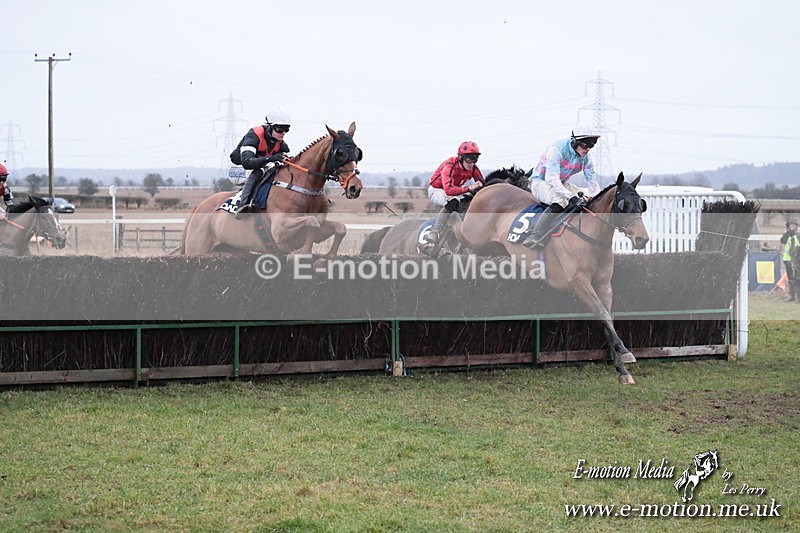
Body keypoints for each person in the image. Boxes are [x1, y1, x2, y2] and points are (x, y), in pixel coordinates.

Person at [523, 125, 602, 248]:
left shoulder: (587, 158)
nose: (588, 149)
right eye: (585, 145)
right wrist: (571, 197)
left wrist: (597, 197)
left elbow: (592, 182)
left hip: (562, 183)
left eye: (591, 145)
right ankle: (535, 235)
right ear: (575, 142)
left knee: (586, 199)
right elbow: (552, 180)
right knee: (560, 200)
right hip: (540, 182)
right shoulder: (557, 150)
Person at [418, 141, 485, 255]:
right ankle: (434, 232)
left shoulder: (473, 167)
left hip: (454, 190)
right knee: (453, 202)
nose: (472, 163)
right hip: (437, 190)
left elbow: (483, 183)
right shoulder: (449, 166)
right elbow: (449, 190)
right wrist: (469, 188)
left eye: (475, 159)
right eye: (469, 159)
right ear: (461, 158)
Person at [233, 110, 291, 218]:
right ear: (269, 127)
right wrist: (272, 158)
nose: (283, 132)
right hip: (238, 168)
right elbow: (247, 162)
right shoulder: (254, 135)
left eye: (286, 129)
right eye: (280, 129)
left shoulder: (279, 141)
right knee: (259, 171)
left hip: (258, 164)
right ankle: (242, 205)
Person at [780, 219, 800, 303]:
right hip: (787, 259)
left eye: (793, 225)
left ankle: (798, 297)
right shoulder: (787, 235)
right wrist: (786, 233)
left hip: (795, 260)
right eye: (790, 225)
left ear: (796, 226)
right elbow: (782, 241)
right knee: (790, 278)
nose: (792, 226)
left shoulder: (798, 235)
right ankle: (791, 296)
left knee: (797, 278)